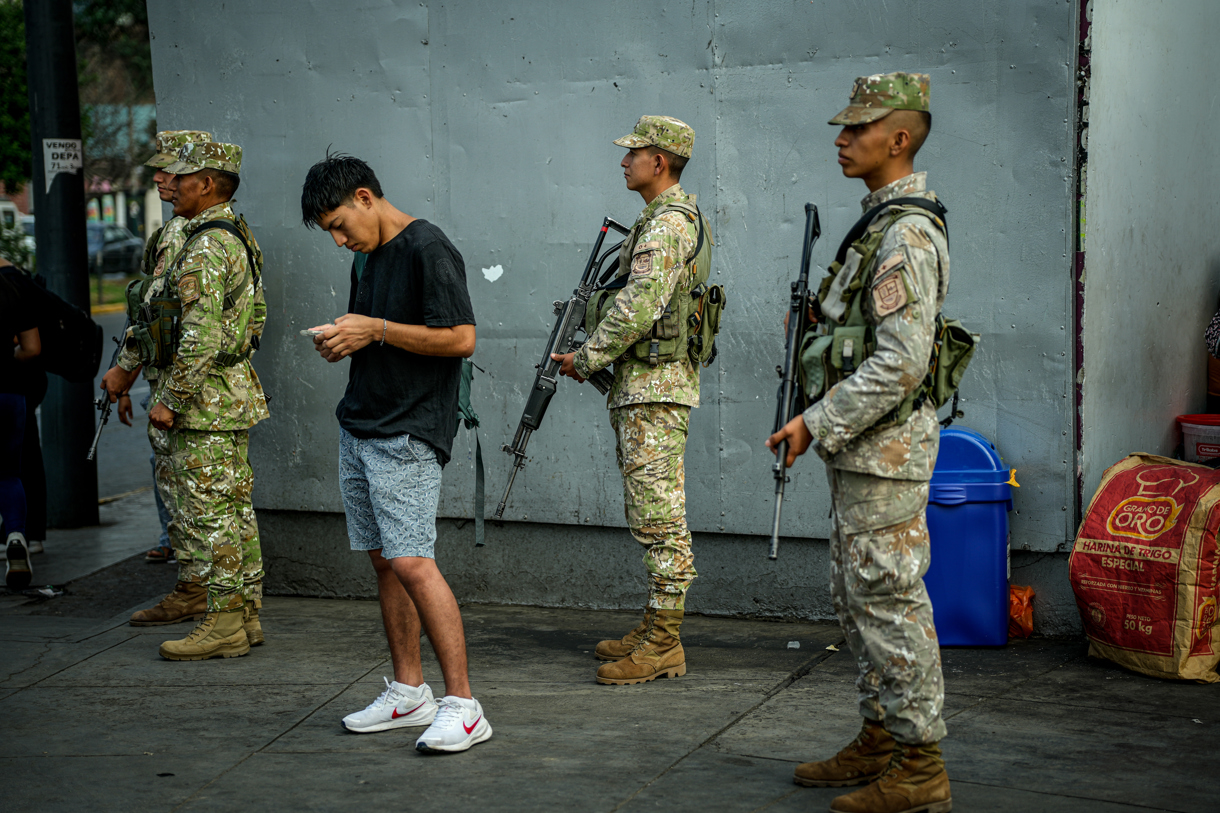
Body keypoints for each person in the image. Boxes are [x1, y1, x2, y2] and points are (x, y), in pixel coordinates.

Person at [766, 73, 952, 813]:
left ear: (898, 138)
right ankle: (881, 736)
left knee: (891, 601)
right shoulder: (877, 225)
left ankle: (921, 761)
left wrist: (816, 420)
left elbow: (902, 361)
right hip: (863, 452)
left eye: (857, 130)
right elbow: (863, 335)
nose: (841, 141)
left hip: (885, 453)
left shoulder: (906, 231)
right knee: (859, 599)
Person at [300, 152, 491, 754]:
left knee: (412, 561)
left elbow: (462, 338)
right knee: (384, 559)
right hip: (361, 424)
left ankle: (465, 707)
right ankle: (410, 691)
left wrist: (375, 330)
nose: (338, 240)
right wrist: (346, 341)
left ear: (364, 197)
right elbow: (377, 331)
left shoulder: (428, 248)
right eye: (328, 231)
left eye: (338, 224)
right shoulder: (367, 254)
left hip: (408, 430)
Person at [552, 115, 712, 686]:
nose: (624, 162)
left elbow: (639, 305)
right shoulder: (659, 219)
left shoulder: (668, 225)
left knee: (660, 515)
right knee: (648, 511)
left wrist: (586, 357)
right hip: (646, 384)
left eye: (633, 154)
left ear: (660, 161)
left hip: (655, 386)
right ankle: (654, 625)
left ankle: (665, 642)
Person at [101, 140, 270, 660]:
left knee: (212, 514)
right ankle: (242, 615)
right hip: (220, 399)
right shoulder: (209, 234)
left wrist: (170, 399)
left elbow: (200, 334)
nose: (164, 183)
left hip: (203, 404)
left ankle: (223, 623)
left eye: (179, 175)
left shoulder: (208, 244)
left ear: (208, 183)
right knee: (229, 510)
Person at [114, 130, 214, 573]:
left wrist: (128, 373)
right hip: (182, 383)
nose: (159, 179)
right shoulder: (180, 232)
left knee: (193, 496)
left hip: (185, 388)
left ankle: (203, 591)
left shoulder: (195, 238)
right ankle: (199, 589)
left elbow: (172, 319)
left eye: (169, 169)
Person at [1, 260, 41, 589]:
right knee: (9, 473)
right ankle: (16, 536)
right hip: (9, 393)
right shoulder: (12, 289)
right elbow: (32, 348)